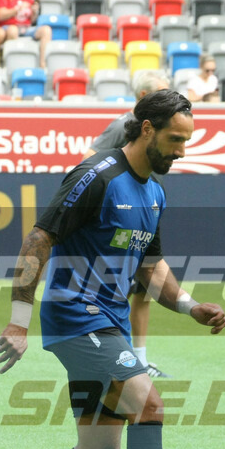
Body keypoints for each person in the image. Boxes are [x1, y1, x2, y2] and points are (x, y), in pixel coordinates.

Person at [0, 90, 225, 449]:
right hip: (77, 318)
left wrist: (188, 306)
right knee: (150, 404)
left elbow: (151, 265)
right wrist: (18, 318)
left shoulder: (154, 192)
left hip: (108, 322)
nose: (181, 151)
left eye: (187, 141)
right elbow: (38, 238)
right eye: (175, 140)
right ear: (145, 130)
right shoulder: (96, 176)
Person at [82, 69, 171, 378]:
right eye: (162, 93)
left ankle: (140, 359)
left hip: (147, 213)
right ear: (143, 97)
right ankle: (117, 357)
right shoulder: (123, 124)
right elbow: (89, 159)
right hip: (123, 217)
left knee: (144, 289)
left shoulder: (160, 129)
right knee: (118, 288)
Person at [0, 0, 52, 65]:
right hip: (9, 26)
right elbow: (1, 16)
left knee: (46, 30)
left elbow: (32, 20)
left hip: (27, 27)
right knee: (13, 30)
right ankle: (10, 63)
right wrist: (17, 9)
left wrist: (34, 12)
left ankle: (42, 64)